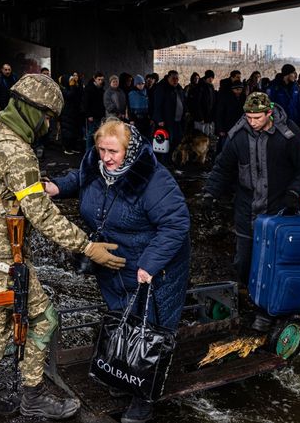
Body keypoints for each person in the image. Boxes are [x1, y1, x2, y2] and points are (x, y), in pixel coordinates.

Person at [0, 74, 124, 420]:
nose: (48, 125)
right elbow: (41, 214)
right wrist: (87, 247)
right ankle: (32, 397)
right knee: (45, 319)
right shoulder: (16, 150)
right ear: (33, 111)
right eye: (47, 117)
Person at [46, 119, 190, 423]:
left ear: (131, 149)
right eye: (101, 150)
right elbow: (81, 178)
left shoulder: (153, 180)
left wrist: (149, 264)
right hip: (113, 264)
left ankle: (143, 398)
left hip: (153, 269)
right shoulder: (97, 166)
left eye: (113, 151)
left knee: (147, 328)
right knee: (122, 320)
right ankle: (124, 377)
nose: (106, 157)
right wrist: (58, 186)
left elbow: (176, 225)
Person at [203, 92, 300, 330]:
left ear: (269, 113)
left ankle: (266, 311)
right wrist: (210, 193)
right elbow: (222, 168)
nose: (252, 121)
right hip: (246, 210)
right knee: (243, 261)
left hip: (277, 211)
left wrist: (294, 193)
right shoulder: (238, 136)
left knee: (272, 263)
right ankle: (246, 298)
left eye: (257, 117)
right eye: (248, 117)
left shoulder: (288, 135)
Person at [152, 70, 186, 163]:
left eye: (177, 78)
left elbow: (183, 102)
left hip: (178, 120)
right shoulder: (161, 88)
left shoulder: (178, 88)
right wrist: (159, 119)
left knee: (177, 139)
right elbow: (157, 105)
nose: (175, 80)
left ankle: (170, 160)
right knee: (165, 142)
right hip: (166, 121)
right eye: (173, 78)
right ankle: (162, 163)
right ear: (168, 78)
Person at [214, 80, 245, 155]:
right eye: (237, 89)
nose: (238, 91)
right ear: (232, 89)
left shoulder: (243, 98)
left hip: (239, 127)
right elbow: (219, 114)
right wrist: (220, 129)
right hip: (226, 127)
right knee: (224, 146)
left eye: (240, 89)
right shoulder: (225, 98)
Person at [82, 72, 106, 151]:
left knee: (98, 133)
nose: (100, 81)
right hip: (92, 115)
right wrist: (89, 115)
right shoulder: (89, 88)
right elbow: (86, 103)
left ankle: (96, 150)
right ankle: (88, 151)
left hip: (99, 114)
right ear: (94, 79)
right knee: (91, 133)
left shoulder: (101, 88)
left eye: (102, 79)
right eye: (99, 79)